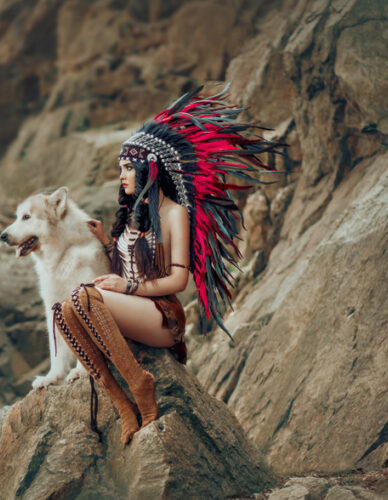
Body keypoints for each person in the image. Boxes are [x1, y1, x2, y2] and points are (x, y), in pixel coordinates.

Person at [50, 84, 285, 445]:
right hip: (134, 309)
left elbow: (178, 279)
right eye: (120, 168)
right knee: (63, 310)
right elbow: (132, 265)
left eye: (128, 167)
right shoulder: (135, 215)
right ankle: (121, 402)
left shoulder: (175, 214)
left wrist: (128, 288)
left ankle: (141, 385)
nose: (123, 175)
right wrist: (108, 243)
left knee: (83, 297)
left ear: (149, 168)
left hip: (161, 317)